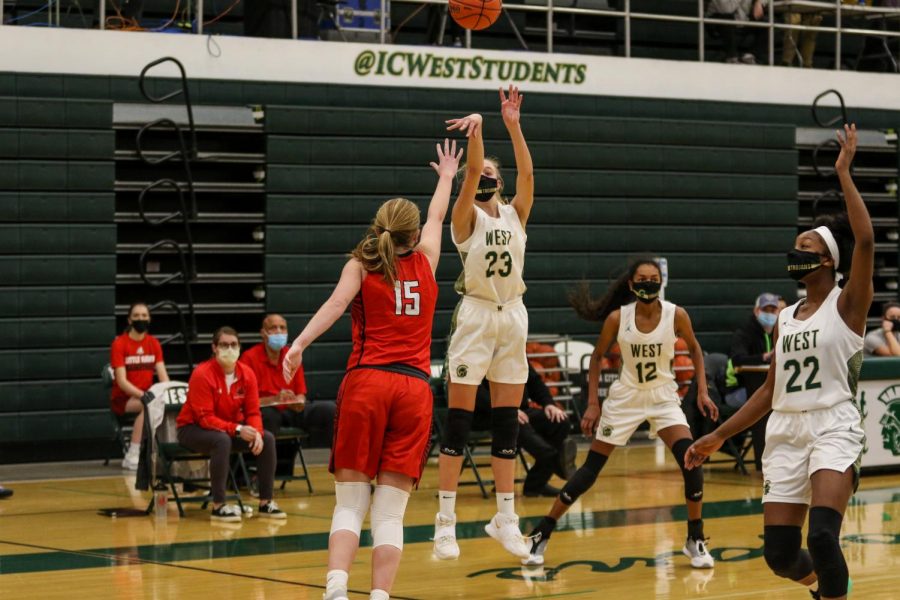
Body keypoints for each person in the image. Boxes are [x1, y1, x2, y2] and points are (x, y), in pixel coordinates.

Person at [687, 124, 871, 600]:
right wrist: (718, 435)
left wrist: (844, 173)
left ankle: (835, 595)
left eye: (807, 247)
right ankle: (821, 587)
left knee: (824, 536)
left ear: (828, 262)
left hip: (832, 425)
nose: (797, 252)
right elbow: (771, 391)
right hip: (785, 430)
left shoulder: (847, 304)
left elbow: (866, 242)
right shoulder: (785, 317)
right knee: (780, 556)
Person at [282, 138, 461, 600]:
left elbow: (336, 305)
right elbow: (438, 216)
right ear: (412, 232)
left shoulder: (360, 265)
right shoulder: (427, 260)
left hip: (368, 383)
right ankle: (380, 595)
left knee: (350, 505)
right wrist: (446, 177)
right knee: (389, 514)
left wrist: (298, 344)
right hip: (415, 389)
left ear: (378, 228)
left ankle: (337, 587)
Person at [524, 258, 720, 569]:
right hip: (626, 397)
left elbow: (695, 349)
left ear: (661, 282)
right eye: (642, 278)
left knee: (691, 458)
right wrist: (592, 403)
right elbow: (597, 356)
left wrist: (703, 391)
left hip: (662, 397)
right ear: (631, 284)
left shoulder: (676, 314)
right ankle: (541, 532)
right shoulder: (619, 318)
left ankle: (694, 538)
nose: (649, 283)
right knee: (589, 471)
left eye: (654, 278)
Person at [433, 85, 535, 562]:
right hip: (475, 315)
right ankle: (445, 522)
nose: (490, 176)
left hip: (512, 316)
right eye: (486, 173)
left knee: (506, 429)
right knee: (457, 423)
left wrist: (513, 126)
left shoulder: (516, 214)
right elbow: (471, 169)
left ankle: (506, 517)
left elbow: (529, 172)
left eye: (496, 173)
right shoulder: (464, 216)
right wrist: (479, 127)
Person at [176, 326, 286, 522]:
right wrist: (237, 429)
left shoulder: (247, 374)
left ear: (239, 348)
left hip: (228, 430)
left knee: (267, 439)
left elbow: (253, 412)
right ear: (214, 348)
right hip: (192, 429)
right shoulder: (202, 374)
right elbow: (205, 418)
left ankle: (266, 502)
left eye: (233, 344)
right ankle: (218, 506)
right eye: (224, 345)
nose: (229, 349)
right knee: (221, 441)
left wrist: (257, 433)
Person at [472, 364, 576, 497]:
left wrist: (549, 403)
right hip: (487, 413)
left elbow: (534, 381)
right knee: (516, 424)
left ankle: (536, 484)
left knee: (559, 422)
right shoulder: (481, 354)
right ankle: (557, 463)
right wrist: (505, 409)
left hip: (520, 410)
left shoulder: (517, 350)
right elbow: (476, 393)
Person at [241, 313, 337, 447]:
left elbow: (301, 394)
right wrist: (275, 400)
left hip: (291, 410)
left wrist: (298, 402)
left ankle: (337, 462)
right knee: (268, 416)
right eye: (273, 328)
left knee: (329, 409)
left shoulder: (292, 355)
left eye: (282, 328)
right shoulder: (248, 358)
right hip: (267, 411)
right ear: (263, 333)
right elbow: (244, 402)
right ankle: (271, 464)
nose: (279, 331)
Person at [109, 302, 169, 470]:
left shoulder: (154, 343)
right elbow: (121, 381)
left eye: (144, 316)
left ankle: (162, 451)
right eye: (136, 316)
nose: (140, 319)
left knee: (163, 404)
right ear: (129, 320)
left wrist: (167, 391)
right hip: (123, 398)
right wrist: (142, 394)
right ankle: (132, 453)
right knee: (149, 405)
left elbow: (163, 375)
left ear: (149, 319)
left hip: (146, 395)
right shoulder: (120, 344)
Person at [725, 292, 779, 470]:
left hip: (765, 387)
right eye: (766, 309)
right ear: (756, 311)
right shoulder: (744, 332)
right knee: (765, 406)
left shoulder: (778, 332)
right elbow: (737, 359)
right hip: (737, 390)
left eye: (773, 309)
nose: (770, 313)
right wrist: (764, 357)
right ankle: (764, 463)